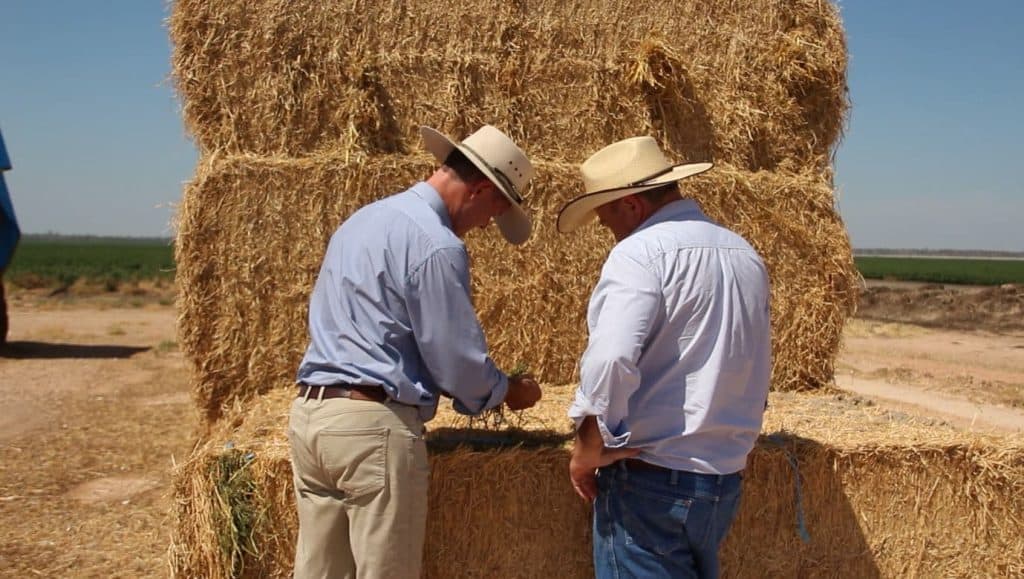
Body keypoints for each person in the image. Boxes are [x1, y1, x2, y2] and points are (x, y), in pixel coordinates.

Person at [288, 124, 543, 579]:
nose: (485, 224)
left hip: (311, 421)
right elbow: (456, 361)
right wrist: (507, 391)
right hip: (370, 430)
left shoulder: (362, 220)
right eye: (493, 211)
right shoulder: (436, 244)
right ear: (480, 190)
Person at [558, 136, 771, 579]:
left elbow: (611, 360)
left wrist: (588, 445)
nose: (607, 230)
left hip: (650, 482)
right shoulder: (744, 254)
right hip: (723, 481)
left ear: (632, 205)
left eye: (605, 218)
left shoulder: (639, 254)